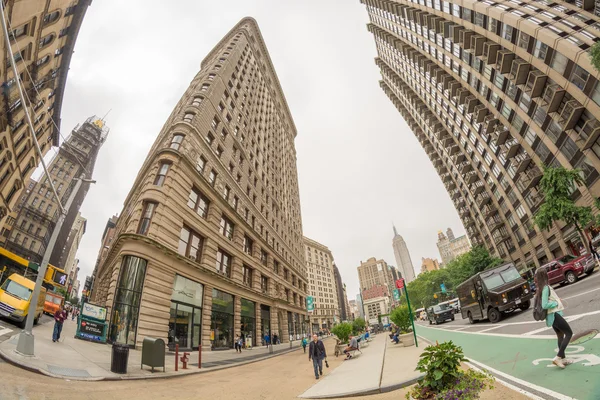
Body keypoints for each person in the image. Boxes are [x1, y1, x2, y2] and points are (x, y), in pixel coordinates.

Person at [535, 268, 573, 369]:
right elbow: (544, 305)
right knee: (569, 333)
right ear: (545, 275)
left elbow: (547, 300)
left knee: (560, 336)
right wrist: (556, 303)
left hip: (552, 316)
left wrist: (556, 299)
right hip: (554, 314)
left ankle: (563, 359)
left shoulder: (541, 288)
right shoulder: (546, 287)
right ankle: (558, 357)